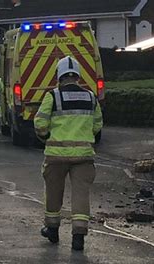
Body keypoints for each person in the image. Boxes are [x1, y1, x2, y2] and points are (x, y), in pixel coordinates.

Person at [34, 56, 103, 251]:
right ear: (78, 76)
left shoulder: (52, 96)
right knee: (81, 193)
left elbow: (40, 123)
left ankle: (52, 230)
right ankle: (78, 237)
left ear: (59, 75)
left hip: (56, 155)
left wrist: (45, 135)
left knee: (54, 192)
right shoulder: (91, 97)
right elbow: (98, 124)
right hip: (84, 156)